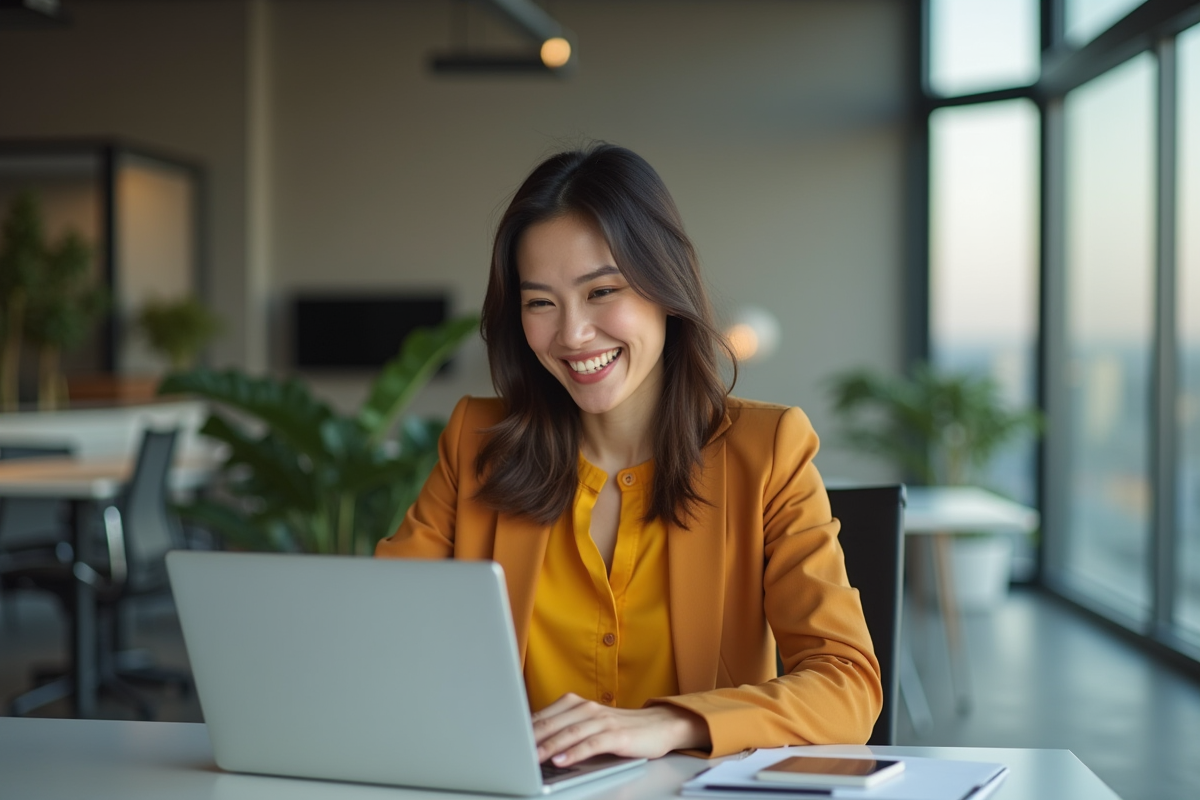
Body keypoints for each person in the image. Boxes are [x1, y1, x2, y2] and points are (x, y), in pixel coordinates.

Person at [376, 143, 881, 767]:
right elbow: (383, 635)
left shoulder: (767, 452)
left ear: (665, 286)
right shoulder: (476, 443)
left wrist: (670, 723)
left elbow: (847, 683)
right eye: (540, 302)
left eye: (601, 291)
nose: (572, 334)